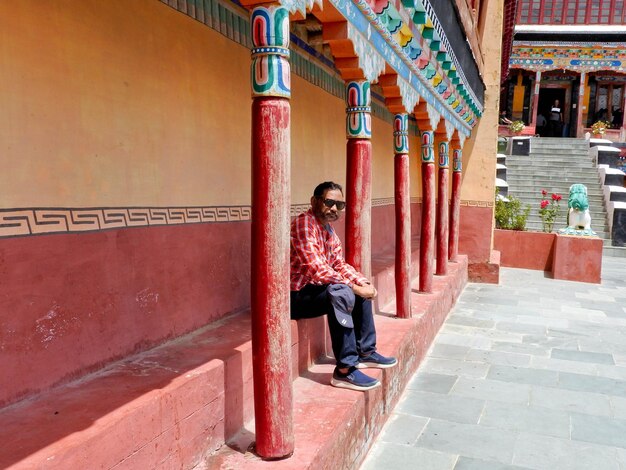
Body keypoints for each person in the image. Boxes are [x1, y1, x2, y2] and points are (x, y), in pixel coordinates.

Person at [290, 181, 397, 391]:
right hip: (295, 296)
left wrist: (362, 282)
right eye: (329, 202)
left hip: (315, 290)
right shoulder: (305, 224)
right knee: (341, 292)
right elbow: (316, 268)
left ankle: (365, 352)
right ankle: (345, 370)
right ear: (314, 201)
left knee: (355, 288)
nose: (334, 209)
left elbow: (338, 264)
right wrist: (354, 287)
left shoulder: (328, 230)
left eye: (339, 205)